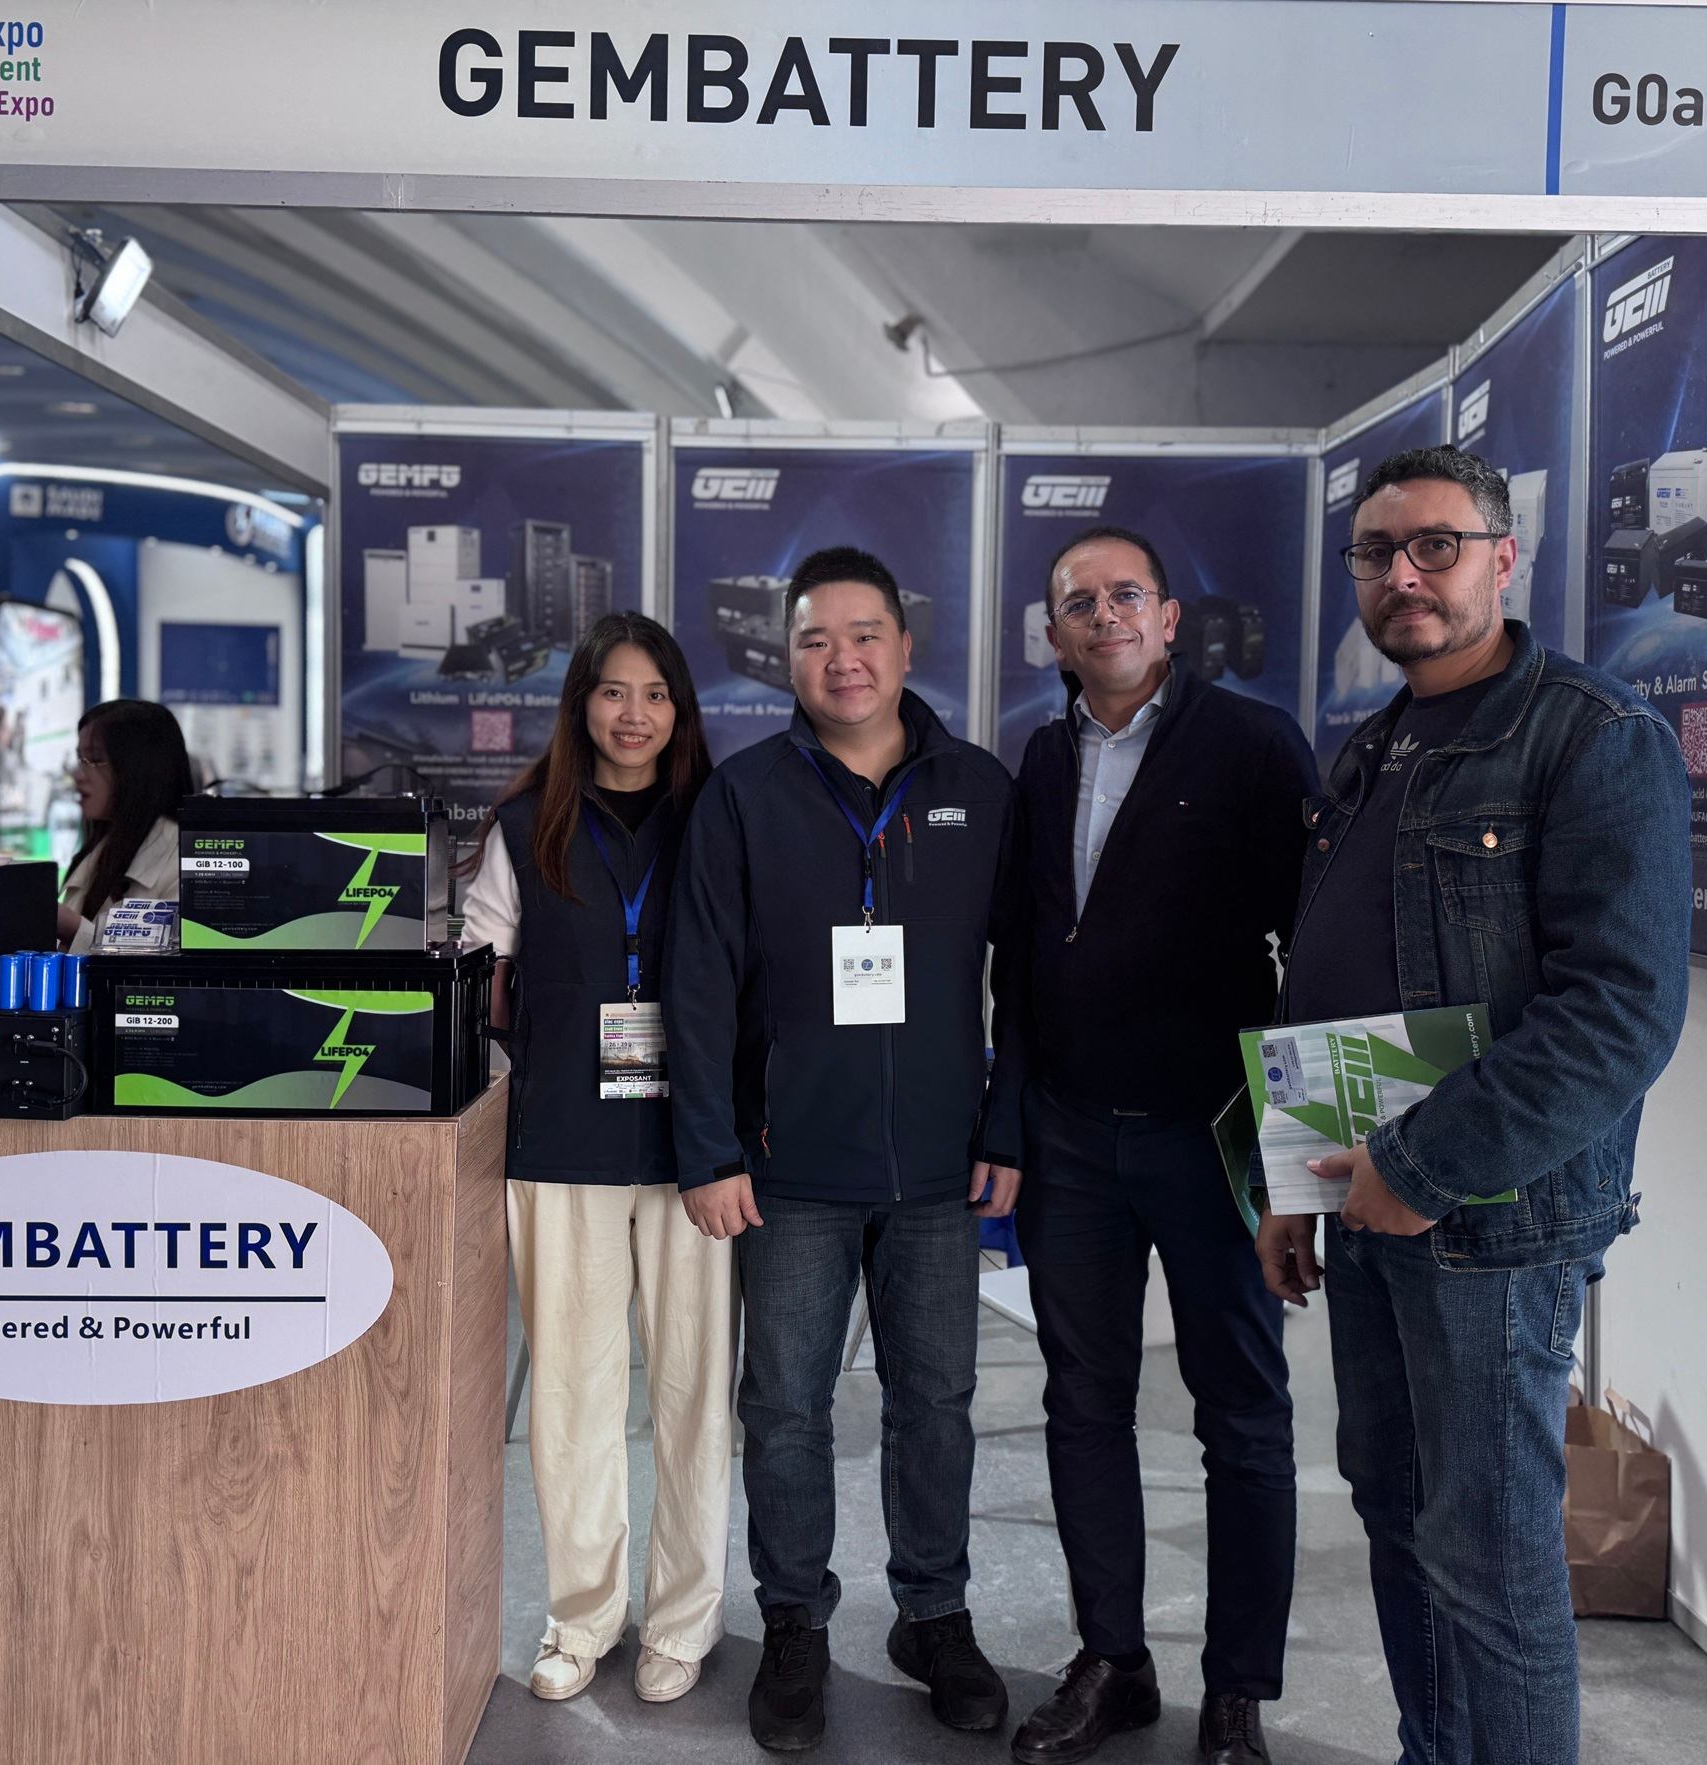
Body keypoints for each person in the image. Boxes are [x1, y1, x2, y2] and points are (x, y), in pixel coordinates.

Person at [1254, 446, 1691, 1765]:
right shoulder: (1372, 745)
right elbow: (1326, 977)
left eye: (1435, 546)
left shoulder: (1591, 738)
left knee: (1491, 1560)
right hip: (1364, 1202)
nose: (1403, 575)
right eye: (1376, 552)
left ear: (1504, 557)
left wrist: (1421, 1164)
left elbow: (1620, 1013)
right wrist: (1293, 1184)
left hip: (1488, 1224)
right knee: (1396, 1514)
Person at [667, 546, 1022, 1754]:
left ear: (906, 648)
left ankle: (934, 1614)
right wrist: (709, 1149)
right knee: (784, 1409)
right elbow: (698, 982)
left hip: (938, 1167)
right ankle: (794, 1623)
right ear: (786, 656)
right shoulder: (743, 795)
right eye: (816, 638)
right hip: (789, 1170)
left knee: (937, 1405)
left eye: (865, 635)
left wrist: (1007, 1122)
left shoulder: (976, 789)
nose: (843, 659)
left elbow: (1030, 975)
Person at [994, 527, 1317, 1765]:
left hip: (1211, 1136)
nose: (1105, 615)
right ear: (1054, 634)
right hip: (1072, 1139)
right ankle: (1114, 1662)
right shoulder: (1043, 755)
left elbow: (1311, 955)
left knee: (1241, 1416)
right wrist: (1014, 1117)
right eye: (1079, 602)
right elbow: (1023, 953)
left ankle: (1236, 1692)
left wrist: (1296, 1161)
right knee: (1084, 1405)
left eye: (1126, 594)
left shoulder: (1253, 746)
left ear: (1170, 618)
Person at [458, 611, 734, 1709]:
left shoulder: (717, 815)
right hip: (563, 1142)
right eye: (614, 691)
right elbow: (481, 971)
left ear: (680, 709)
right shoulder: (526, 824)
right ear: (580, 705)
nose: (635, 714)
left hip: (693, 1149)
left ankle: (683, 1618)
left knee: (692, 1394)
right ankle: (581, 1617)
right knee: (571, 1394)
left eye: (655, 693)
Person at [57, 699, 191, 952]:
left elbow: (172, 964)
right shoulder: (103, 847)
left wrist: (75, 930)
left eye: (94, 759)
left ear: (140, 767)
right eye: (80, 759)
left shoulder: (186, 858)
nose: (78, 774)